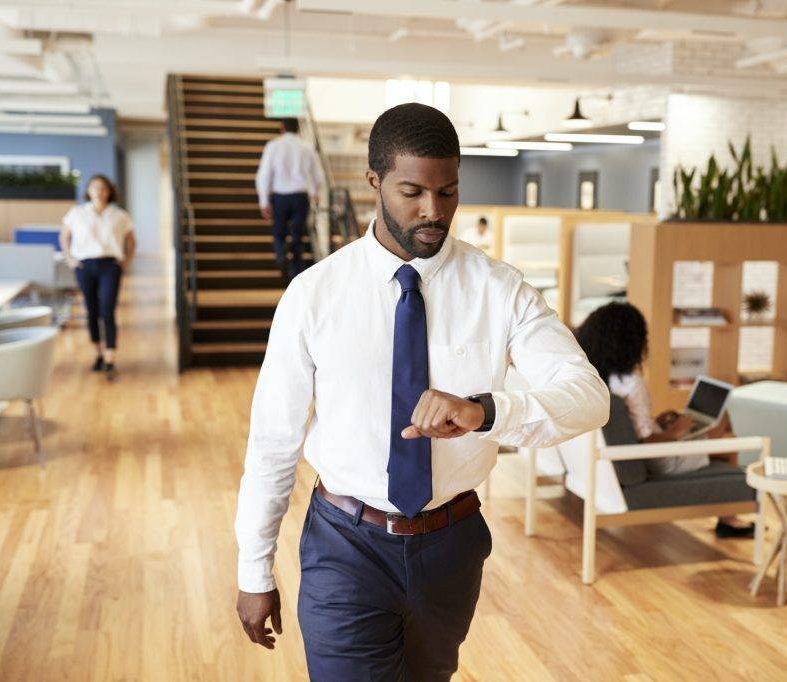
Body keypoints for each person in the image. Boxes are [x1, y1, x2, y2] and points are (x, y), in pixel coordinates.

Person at [234, 103, 609, 679]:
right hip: (345, 545)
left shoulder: (498, 289)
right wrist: (254, 571)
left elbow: (588, 396)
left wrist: (486, 411)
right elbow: (273, 442)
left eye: (449, 192)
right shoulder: (314, 295)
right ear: (374, 183)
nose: (434, 211)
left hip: (451, 546)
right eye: (413, 192)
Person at [574, 301, 754, 538]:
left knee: (716, 429)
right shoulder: (631, 382)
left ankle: (728, 517)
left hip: (639, 454)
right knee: (727, 432)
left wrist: (657, 421)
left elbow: (637, 429)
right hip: (660, 459)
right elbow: (647, 443)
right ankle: (729, 520)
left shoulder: (596, 377)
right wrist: (674, 433)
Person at [59, 174, 136, 382]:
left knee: (107, 310)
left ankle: (111, 357)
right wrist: (69, 258)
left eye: (103, 188)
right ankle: (98, 353)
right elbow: (64, 236)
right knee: (92, 311)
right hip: (85, 266)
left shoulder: (119, 215)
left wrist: (125, 262)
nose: (99, 191)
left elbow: (131, 241)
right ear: (89, 191)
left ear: (109, 191)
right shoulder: (77, 213)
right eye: (95, 188)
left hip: (110, 265)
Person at [255, 117, 325, 284]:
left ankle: (280, 255)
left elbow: (264, 175)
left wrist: (263, 201)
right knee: (297, 233)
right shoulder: (307, 147)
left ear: (282, 128)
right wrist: (315, 192)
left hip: (280, 196)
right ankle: (296, 268)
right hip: (300, 196)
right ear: (298, 129)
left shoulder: (273, 146)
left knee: (279, 231)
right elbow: (318, 174)